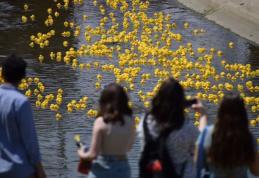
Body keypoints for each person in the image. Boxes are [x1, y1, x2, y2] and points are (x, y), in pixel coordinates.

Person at [138, 77, 199, 178]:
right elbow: (199, 145)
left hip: (153, 173)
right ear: (181, 101)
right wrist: (203, 116)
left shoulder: (145, 122)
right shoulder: (186, 127)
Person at [0, 55, 46, 178]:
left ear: (2, 74)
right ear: (23, 76)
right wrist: (40, 169)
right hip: (19, 170)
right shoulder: (21, 102)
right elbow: (30, 141)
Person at [77, 83, 135, 178]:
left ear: (103, 101)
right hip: (122, 168)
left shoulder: (100, 122)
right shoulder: (131, 121)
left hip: (101, 168)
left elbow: (93, 154)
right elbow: (129, 148)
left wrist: (81, 153)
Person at [195, 94, 259, 178]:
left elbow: (196, 163)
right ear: (243, 114)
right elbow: (256, 171)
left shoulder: (207, 134)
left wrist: (203, 114)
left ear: (220, 112)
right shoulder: (248, 138)